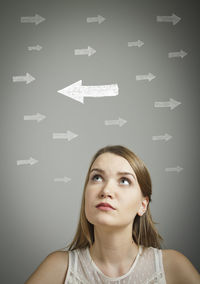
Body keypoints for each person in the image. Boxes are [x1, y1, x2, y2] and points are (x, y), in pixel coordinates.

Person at [25, 145, 200, 283]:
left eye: (124, 180)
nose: (106, 190)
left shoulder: (173, 267)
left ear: (143, 204)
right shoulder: (58, 268)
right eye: (97, 178)